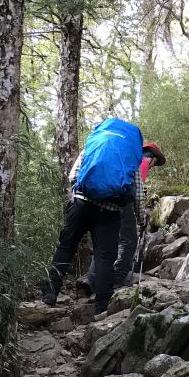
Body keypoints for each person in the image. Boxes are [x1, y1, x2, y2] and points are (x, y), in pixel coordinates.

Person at [41, 118, 147, 315]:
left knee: (66, 247)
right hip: (109, 211)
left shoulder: (95, 143)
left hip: (81, 204)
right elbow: (138, 193)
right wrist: (142, 219)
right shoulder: (130, 154)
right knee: (105, 258)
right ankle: (101, 309)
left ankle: (49, 294)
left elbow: (74, 175)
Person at [76, 141, 166, 296]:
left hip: (102, 199)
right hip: (122, 202)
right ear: (153, 156)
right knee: (128, 239)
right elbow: (136, 189)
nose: (152, 166)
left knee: (106, 242)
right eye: (155, 163)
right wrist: (141, 212)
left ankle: (90, 279)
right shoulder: (144, 160)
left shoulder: (124, 155)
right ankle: (118, 279)